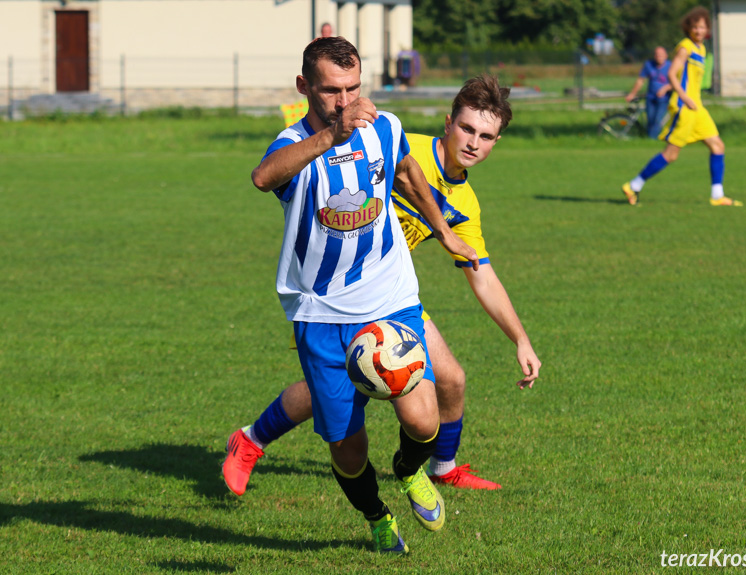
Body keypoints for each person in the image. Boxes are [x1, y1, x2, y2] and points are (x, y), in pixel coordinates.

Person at [225, 73, 541, 502]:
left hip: (389, 294)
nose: (472, 142)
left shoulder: (465, 204)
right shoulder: (394, 142)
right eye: (467, 129)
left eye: (486, 136)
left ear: (495, 143)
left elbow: (480, 271)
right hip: (334, 290)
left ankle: (440, 468)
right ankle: (252, 438)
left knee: (448, 379)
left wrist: (520, 339)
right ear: (448, 124)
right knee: (356, 382)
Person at [247, 36, 480, 554]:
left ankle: (409, 470)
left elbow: (407, 172)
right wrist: (331, 134)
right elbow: (263, 177)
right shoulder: (293, 142)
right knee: (349, 453)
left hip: (388, 296)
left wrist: (441, 229)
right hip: (321, 313)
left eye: (354, 88)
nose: (346, 101)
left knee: (422, 419)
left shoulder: (385, 127)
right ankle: (376, 515)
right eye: (332, 91)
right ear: (306, 87)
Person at [621, 7, 742, 207]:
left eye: (702, 27)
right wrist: (684, 97)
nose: (699, 31)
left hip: (697, 107)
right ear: (688, 28)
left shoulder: (701, 49)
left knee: (718, 146)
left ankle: (717, 195)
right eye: (695, 27)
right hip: (684, 107)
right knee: (671, 154)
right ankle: (633, 185)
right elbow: (672, 73)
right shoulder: (685, 47)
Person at [625, 46, 672, 139]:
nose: (659, 57)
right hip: (650, 97)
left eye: (661, 55)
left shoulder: (671, 66)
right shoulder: (648, 65)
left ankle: (651, 140)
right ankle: (649, 139)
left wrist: (665, 88)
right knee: (650, 120)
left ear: (666, 56)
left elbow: (676, 82)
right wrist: (632, 94)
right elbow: (640, 80)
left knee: (657, 120)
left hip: (664, 99)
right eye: (657, 55)